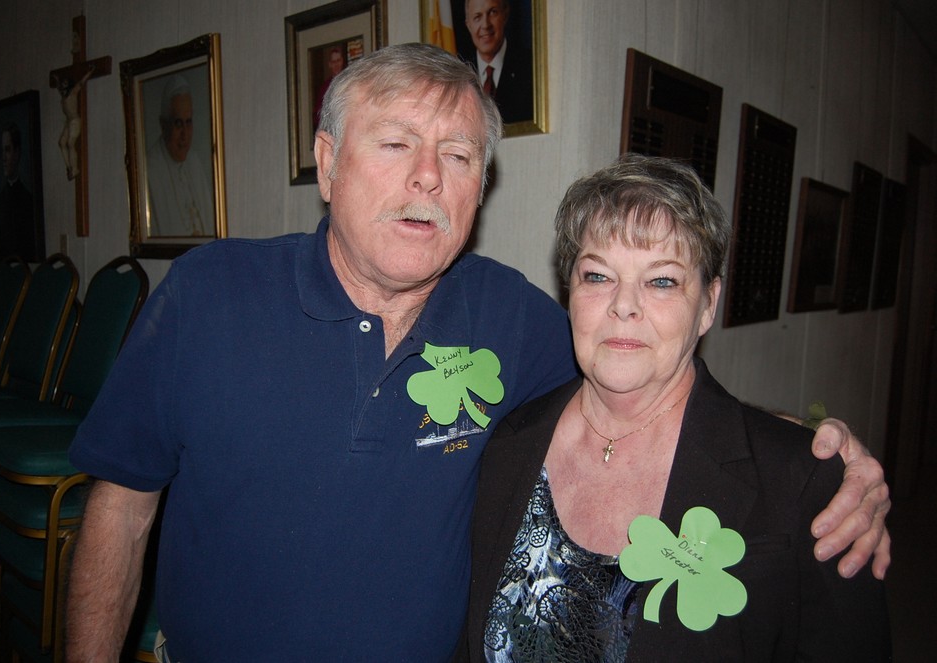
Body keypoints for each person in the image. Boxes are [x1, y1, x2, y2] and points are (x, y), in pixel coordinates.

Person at [65, 44, 890, 662]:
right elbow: (121, 510)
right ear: (327, 163)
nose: (428, 177)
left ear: (479, 187)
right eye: (396, 144)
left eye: (458, 156)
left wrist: (810, 451)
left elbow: (639, 369)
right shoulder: (208, 296)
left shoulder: (512, 317)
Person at [465, 155, 890, 661]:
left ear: (708, 304)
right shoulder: (506, 445)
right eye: (597, 276)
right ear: (569, 292)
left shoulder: (802, 482)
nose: (624, 305)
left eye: (661, 281)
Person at [146, 74, 215, 237]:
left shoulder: (194, 161)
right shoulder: (151, 170)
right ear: (163, 125)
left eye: (188, 122)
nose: (185, 135)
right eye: (178, 123)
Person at [463, 0, 533, 124]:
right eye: (477, 17)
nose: (485, 25)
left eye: (493, 12)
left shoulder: (530, 67)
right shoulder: (460, 74)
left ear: (505, 15)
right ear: (469, 25)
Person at [0, 122, 41, 262]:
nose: (3, 157)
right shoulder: (0, 200)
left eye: (7, 150)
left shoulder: (28, 199)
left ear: (17, 153)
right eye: (2, 150)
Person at [54, 65, 94, 181]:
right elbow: (59, 87)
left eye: (65, 83)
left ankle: (75, 169)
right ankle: (68, 167)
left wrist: (90, 72)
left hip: (75, 120)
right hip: (68, 121)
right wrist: (57, 79)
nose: (63, 86)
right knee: (62, 143)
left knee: (71, 143)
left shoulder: (73, 92)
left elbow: (81, 82)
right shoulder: (63, 95)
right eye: (63, 84)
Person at [313, 45, 346, 130]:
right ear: (330, 64)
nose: (336, 65)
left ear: (342, 61)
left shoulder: (348, 82)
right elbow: (318, 114)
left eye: (338, 60)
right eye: (333, 62)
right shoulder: (325, 87)